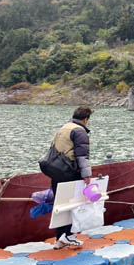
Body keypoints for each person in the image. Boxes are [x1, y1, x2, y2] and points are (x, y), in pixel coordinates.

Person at [47, 106, 93, 248]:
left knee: (60, 204)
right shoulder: (80, 132)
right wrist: (87, 175)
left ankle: (59, 238)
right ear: (86, 119)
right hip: (69, 172)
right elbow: (82, 155)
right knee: (73, 203)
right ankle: (69, 235)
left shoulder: (64, 128)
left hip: (56, 170)